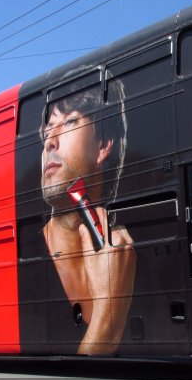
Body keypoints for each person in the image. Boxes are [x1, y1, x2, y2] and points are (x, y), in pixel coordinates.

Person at [40, 77, 136, 355]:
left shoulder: (130, 257)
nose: (50, 142)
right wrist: (107, 311)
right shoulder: (18, 264)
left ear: (104, 144)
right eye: (48, 129)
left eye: (69, 122)